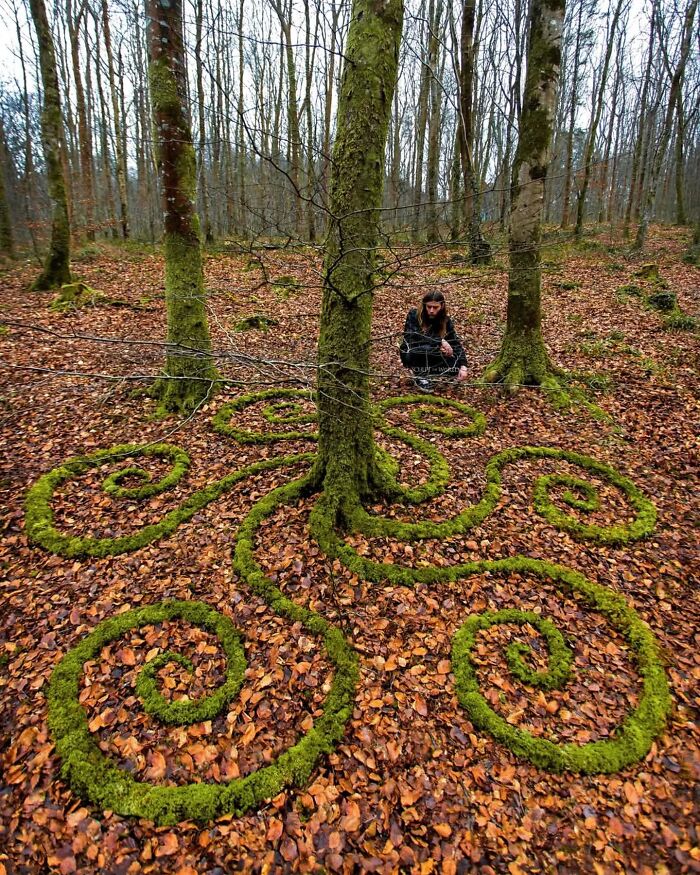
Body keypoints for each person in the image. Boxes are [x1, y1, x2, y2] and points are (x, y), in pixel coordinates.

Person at [399, 290, 468, 391]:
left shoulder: (445, 321)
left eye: (435, 307)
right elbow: (413, 337)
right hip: (412, 353)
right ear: (424, 305)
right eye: (429, 307)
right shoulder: (414, 315)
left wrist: (463, 366)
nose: (431, 310)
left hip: (432, 354)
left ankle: (428, 373)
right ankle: (420, 376)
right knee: (425, 348)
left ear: (442, 306)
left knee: (455, 365)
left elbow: (455, 343)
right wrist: (440, 341)